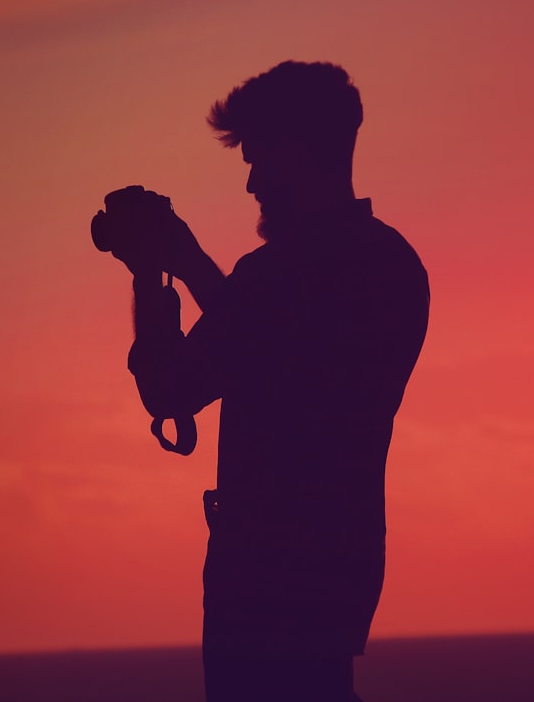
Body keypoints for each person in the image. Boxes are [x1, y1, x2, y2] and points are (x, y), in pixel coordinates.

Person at [98, 61, 429, 701]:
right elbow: (275, 353)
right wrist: (192, 265)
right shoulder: (392, 264)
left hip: (259, 579)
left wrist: (147, 275)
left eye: (256, 160)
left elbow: (173, 390)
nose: (251, 183)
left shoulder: (277, 275)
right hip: (341, 567)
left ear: (294, 153)